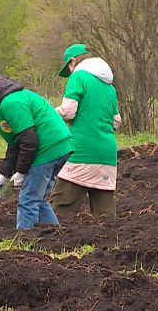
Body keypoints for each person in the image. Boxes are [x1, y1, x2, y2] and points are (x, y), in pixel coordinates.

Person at [0, 75, 73, 229]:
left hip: (48, 149)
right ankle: (54, 234)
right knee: (37, 197)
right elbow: (15, 144)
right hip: (60, 148)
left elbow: (29, 140)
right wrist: (4, 175)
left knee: (28, 198)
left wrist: (21, 171)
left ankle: (24, 240)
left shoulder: (11, 103)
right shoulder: (6, 104)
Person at [49, 43, 121, 218]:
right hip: (107, 154)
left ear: (73, 61)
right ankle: (109, 245)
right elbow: (116, 122)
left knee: (58, 210)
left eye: (69, 67)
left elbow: (68, 111)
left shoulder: (79, 76)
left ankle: (49, 244)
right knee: (105, 217)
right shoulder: (109, 86)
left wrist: (49, 114)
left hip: (82, 150)